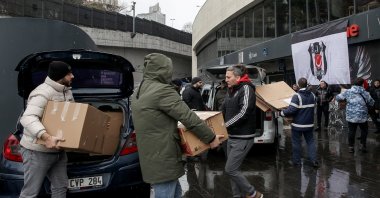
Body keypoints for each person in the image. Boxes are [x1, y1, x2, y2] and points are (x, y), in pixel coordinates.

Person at [130, 53, 224, 198]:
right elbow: (188, 117)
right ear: (164, 70)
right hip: (164, 155)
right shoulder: (162, 90)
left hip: (151, 154)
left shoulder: (139, 90)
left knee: (176, 192)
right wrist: (211, 138)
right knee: (166, 191)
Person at [19, 61, 74, 198]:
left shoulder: (66, 92)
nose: (72, 76)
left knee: (61, 187)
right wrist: (46, 137)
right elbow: (28, 118)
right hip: (37, 151)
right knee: (30, 193)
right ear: (60, 76)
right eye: (69, 74)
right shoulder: (42, 93)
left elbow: (73, 118)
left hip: (58, 150)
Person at [222, 65, 263, 198]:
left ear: (238, 77)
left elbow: (244, 112)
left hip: (243, 137)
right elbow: (224, 108)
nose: (226, 79)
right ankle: (236, 195)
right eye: (225, 77)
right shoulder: (231, 89)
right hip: (231, 136)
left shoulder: (246, 88)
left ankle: (252, 193)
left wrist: (225, 125)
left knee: (230, 169)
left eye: (228, 77)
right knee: (234, 169)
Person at [280, 77, 319, 168]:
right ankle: (314, 161)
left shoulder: (296, 96)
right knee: (310, 142)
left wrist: (281, 112)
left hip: (298, 125)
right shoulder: (313, 95)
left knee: (296, 143)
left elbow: (291, 110)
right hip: (309, 124)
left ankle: (297, 162)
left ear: (298, 85)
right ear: (306, 84)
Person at [336, 77, 374, 153]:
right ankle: (363, 145)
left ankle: (351, 147)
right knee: (364, 130)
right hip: (362, 116)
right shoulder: (365, 93)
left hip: (351, 115)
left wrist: (344, 101)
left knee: (351, 131)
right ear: (362, 84)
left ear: (353, 83)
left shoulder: (348, 92)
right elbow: (371, 102)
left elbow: (337, 97)